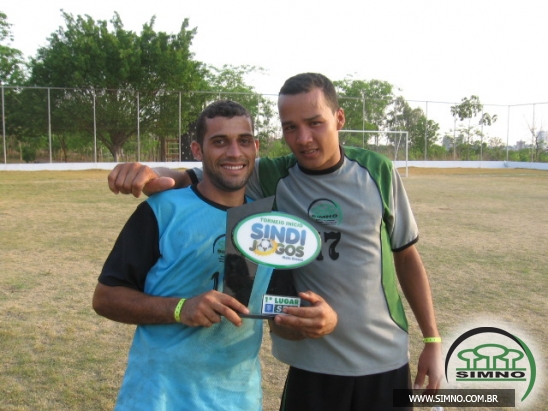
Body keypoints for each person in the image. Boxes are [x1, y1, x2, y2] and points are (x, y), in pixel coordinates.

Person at [107, 73, 443, 410]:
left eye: (315, 122)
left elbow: (406, 256)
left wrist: (431, 337)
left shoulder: (377, 171)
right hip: (312, 364)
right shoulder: (270, 178)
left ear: (339, 118)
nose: (304, 138)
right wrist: (155, 174)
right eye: (290, 127)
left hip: (383, 357)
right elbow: (207, 172)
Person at [93, 99, 335, 411]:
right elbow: (105, 298)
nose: (234, 152)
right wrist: (180, 308)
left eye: (244, 141)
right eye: (220, 142)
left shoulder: (268, 223)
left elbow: (277, 319)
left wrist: (311, 322)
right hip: (157, 399)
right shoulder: (163, 210)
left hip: (237, 400)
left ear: (255, 148)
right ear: (197, 150)